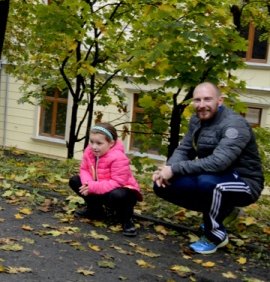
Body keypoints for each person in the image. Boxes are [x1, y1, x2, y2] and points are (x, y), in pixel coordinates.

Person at [152, 82, 264, 254]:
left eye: (207, 99)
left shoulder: (235, 125)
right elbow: (185, 149)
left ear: (220, 100)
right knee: (162, 185)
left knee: (209, 183)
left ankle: (215, 236)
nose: (202, 105)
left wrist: (175, 169)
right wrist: (168, 169)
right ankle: (223, 210)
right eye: (197, 100)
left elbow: (219, 162)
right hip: (213, 176)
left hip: (245, 182)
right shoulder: (197, 120)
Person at [69, 123, 142, 236]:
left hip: (120, 193)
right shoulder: (89, 152)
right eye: (92, 142)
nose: (94, 146)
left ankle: (126, 219)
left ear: (111, 143)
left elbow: (118, 182)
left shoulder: (118, 157)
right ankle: (95, 210)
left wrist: (93, 187)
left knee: (119, 194)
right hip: (100, 188)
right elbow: (84, 169)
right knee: (75, 180)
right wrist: (89, 184)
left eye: (99, 143)